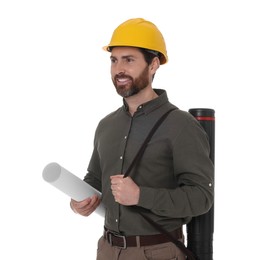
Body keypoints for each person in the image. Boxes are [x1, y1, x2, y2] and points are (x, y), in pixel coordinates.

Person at [70, 18, 214, 260]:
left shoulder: (180, 125)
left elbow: (201, 197)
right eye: (114, 60)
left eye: (129, 60)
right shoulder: (106, 125)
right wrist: (80, 201)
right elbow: (95, 179)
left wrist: (140, 196)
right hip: (107, 250)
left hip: (159, 252)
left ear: (154, 64)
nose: (119, 70)